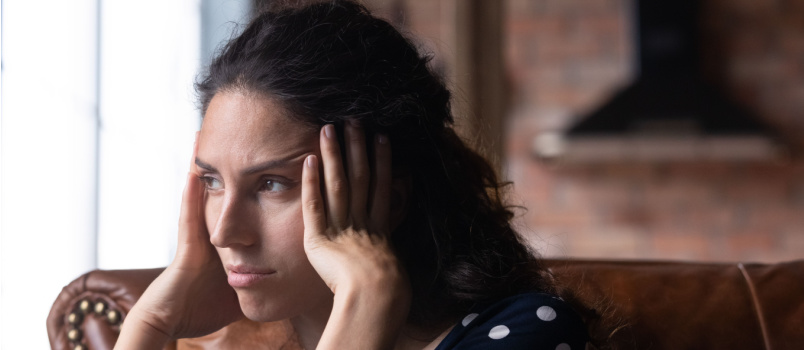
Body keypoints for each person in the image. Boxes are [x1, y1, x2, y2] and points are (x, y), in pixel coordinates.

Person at [115, 1, 592, 349]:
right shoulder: (236, 338)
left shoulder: (530, 333)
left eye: (272, 184)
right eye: (213, 181)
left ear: (390, 197)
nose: (224, 232)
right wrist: (153, 323)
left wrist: (367, 298)